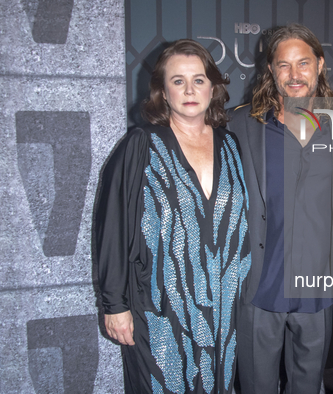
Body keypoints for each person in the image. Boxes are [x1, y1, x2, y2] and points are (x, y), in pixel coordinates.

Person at [94, 39, 250, 394]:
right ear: (163, 92)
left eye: (199, 79)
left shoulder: (231, 145)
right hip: (160, 310)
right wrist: (114, 305)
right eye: (178, 81)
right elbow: (113, 228)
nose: (190, 89)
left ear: (214, 86)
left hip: (224, 312)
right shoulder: (141, 145)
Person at [226, 24, 333, 394]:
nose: (294, 74)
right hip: (260, 289)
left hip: (319, 293)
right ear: (271, 71)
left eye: (303, 63)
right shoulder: (240, 126)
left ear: (319, 65)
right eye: (284, 65)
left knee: (308, 386)